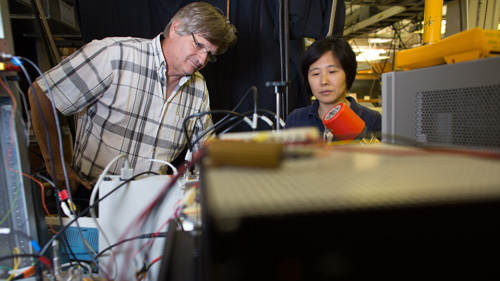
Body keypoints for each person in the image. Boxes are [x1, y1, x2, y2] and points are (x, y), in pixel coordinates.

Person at [28, 2, 237, 194]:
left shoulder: (198, 88)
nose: (202, 59)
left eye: (210, 54)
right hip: (95, 198)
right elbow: (41, 93)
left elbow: (205, 154)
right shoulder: (114, 55)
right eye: (199, 45)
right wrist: (55, 163)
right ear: (175, 28)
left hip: (152, 205)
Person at [285, 36, 381, 140]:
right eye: (316, 73)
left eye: (332, 72)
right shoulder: (295, 119)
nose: (324, 81)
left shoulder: (373, 119)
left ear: (347, 75)